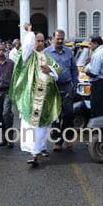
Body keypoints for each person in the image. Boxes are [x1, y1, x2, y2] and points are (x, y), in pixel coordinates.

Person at [10, 24, 61, 167]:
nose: (40, 43)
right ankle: (34, 153)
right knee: (32, 126)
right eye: (37, 41)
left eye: (42, 41)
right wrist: (29, 32)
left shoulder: (46, 57)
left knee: (43, 126)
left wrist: (49, 69)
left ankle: (40, 148)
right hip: (30, 98)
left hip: (45, 98)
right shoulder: (27, 55)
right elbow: (26, 46)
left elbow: (58, 71)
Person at [45, 29, 77, 151]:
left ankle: (68, 138)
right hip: (53, 88)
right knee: (56, 115)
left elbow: (74, 69)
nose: (60, 41)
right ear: (53, 38)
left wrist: (74, 84)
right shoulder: (46, 52)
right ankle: (57, 141)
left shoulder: (68, 52)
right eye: (57, 38)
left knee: (68, 114)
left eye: (62, 39)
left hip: (67, 86)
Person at [83, 36, 103, 118]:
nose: (89, 46)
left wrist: (86, 71)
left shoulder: (98, 54)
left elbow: (94, 73)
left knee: (96, 107)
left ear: (96, 44)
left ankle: (97, 127)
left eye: (90, 44)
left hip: (98, 84)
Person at [0, 41, 15, 147]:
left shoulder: (10, 63)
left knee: (6, 113)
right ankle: (3, 137)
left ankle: (10, 137)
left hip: (8, 91)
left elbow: (15, 77)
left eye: (3, 50)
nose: (1, 52)